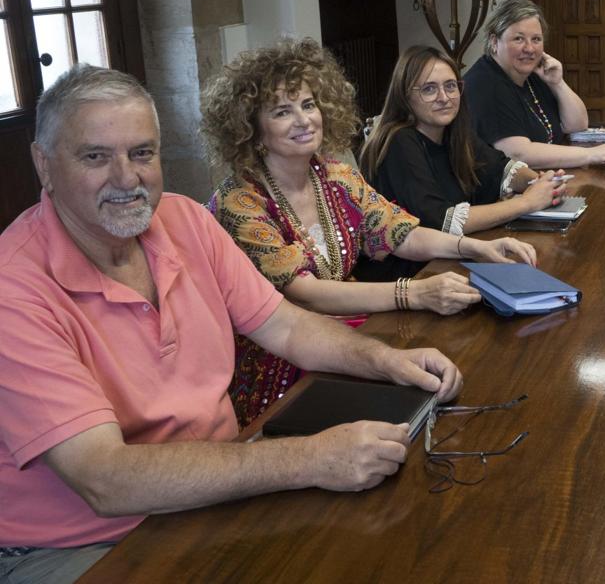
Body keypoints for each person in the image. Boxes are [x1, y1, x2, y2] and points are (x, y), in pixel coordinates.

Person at [0, 65, 464, 581]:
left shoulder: (185, 220)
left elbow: (286, 326)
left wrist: (387, 361)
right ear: (44, 164)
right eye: (95, 157)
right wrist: (310, 459)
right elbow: (105, 479)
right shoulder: (13, 289)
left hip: (214, 488)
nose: (126, 178)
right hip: (85, 546)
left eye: (142, 153)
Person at [200, 39, 535, 424]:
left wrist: (474, 248)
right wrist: (415, 292)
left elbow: (401, 232)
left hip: (350, 335)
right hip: (282, 368)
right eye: (282, 112)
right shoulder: (240, 202)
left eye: (309, 105)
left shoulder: (335, 175)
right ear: (252, 131)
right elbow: (304, 294)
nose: (304, 120)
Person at [360, 45, 567, 233]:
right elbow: (439, 221)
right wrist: (528, 203)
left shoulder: (453, 131)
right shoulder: (399, 142)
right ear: (405, 96)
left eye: (450, 86)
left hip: (453, 254)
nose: (444, 98)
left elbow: (499, 168)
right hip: (415, 270)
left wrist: (540, 183)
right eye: (429, 89)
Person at [462, 0, 605, 169]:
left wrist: (558, 83)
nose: (529, 49)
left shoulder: (531, 73)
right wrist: (592, 154)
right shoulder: (486, 85)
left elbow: (577, 124)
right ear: (494, 42)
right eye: (519, 39)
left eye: (536, 39)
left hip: (547, 179)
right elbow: (518, 154)